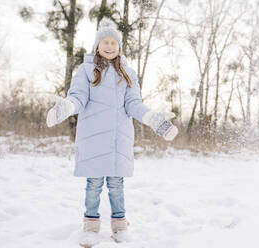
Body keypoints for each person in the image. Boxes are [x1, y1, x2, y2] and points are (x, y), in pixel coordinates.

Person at [46, 18, 178, 246]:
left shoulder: (128, 73)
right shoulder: (86, 70)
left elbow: (134, 103)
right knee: (94, 185)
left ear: (119, 47)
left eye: (113, 42)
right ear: (97, 46)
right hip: (94, 140)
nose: (109, 46)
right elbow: (78, 97)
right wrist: (66, 107)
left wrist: (154, 119)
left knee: (116, 186)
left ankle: (119, 226)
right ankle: (90, 227)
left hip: (118, 141)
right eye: (104, 42)